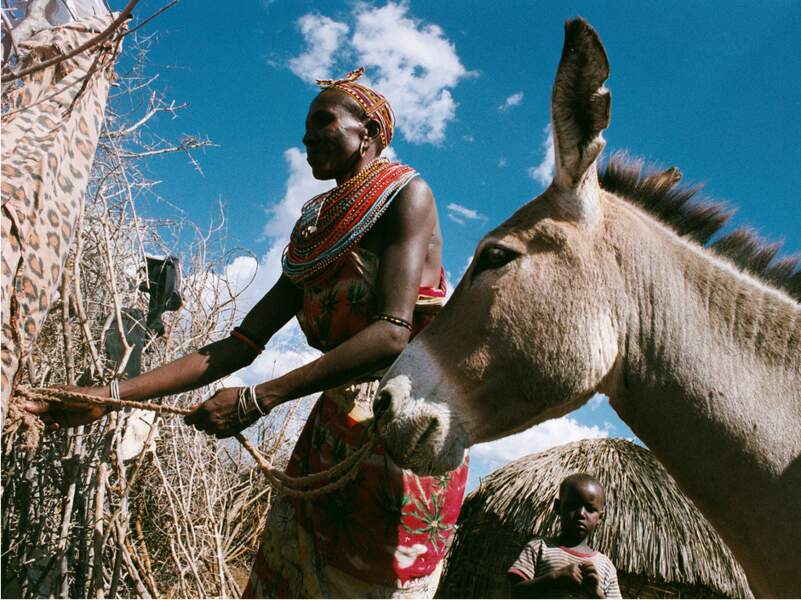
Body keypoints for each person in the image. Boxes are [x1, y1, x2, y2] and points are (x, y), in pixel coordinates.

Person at [25, 68, 469, 598]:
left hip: (402, 433)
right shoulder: (316, 230)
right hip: (330, 433)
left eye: (322, 120)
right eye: (305, 126)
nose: (306, 136)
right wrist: (110, 396)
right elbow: (237, 346)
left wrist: (261, 399)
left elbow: (392, 333)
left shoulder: (407, 195)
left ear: (368, 132)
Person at [507, 473, 621, 599]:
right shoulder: (539, 547)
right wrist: (555, 578)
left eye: (590, 509)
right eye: (572, 505)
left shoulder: (606, 566)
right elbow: (516, 592)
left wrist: (595, 594)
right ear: (557, 507)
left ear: (600, 516)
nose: (581, 514)